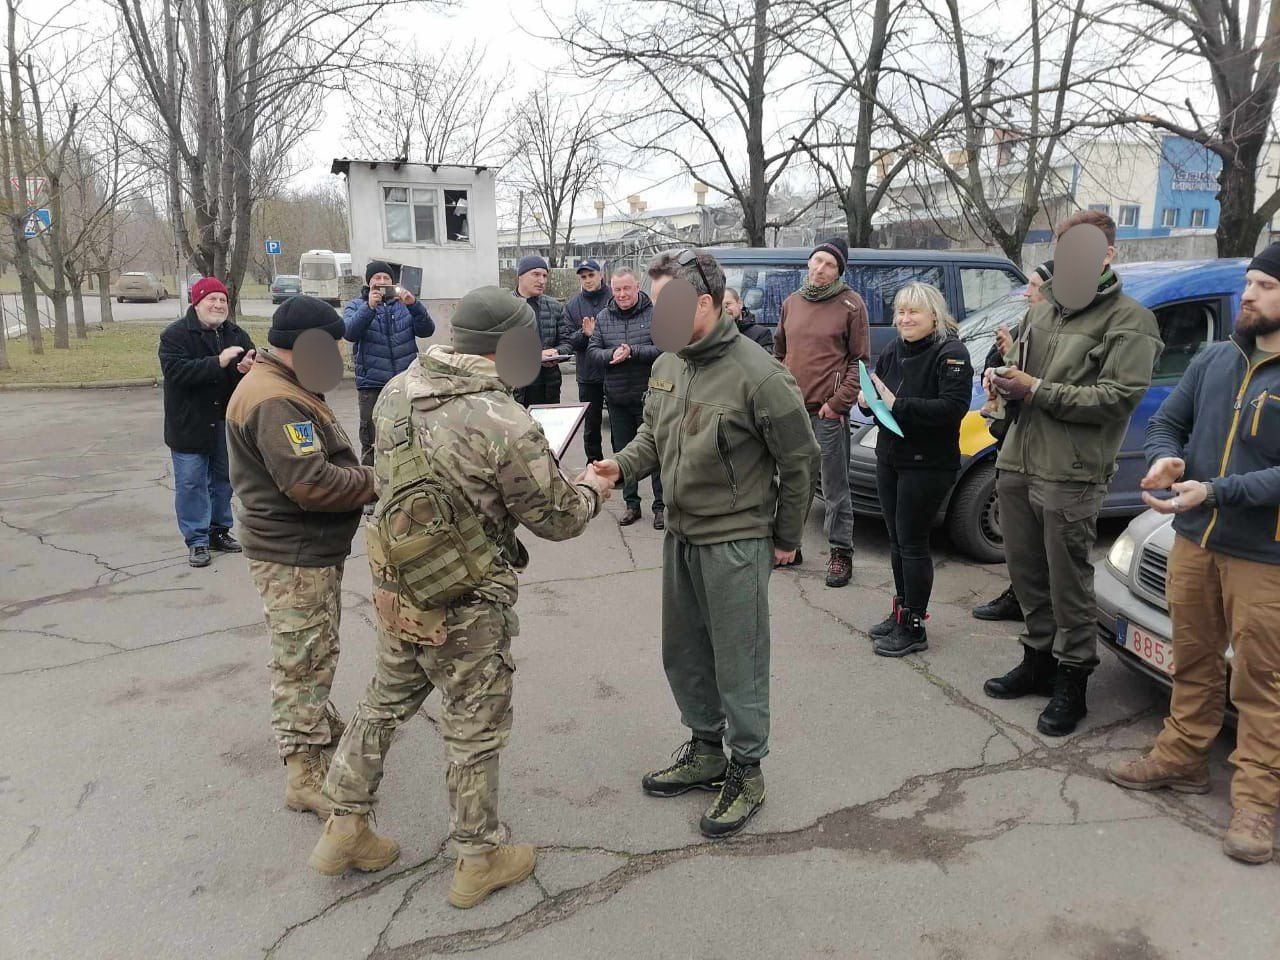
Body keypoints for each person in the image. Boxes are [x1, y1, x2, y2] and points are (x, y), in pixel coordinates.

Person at [309, 287, 614, 908]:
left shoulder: (398, 388)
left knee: (382, 702)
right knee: (474, 727)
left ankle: (344, 825)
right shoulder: (503, 420)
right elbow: (557, 519)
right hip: (467, 598)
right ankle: (479, 857)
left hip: (400, 580)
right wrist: (590, 486)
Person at [593, 249, 817, 839]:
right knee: (685, 652)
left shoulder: (760, 374)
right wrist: (619, 468)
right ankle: (707, 750)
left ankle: (747, 770)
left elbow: (800, 461)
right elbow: (651, 434)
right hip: (682, 535)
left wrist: (787, 539)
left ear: (706, 303)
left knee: (737, 660)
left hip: (735, 540)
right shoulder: (669, 362)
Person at [1107, 244, 1280, 865]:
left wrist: (1215, 489)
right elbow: (1168, 422)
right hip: (1194, 540)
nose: (1251, 294)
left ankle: (1257, 801)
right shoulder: (1213, 359)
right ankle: (1183, 757)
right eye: (1251, 281)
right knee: (1194, 658)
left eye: (1265, 284)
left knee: (1262, 682)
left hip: (1264, 556)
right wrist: (1165, 457)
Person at [982, 210, 1162, 736]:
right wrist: (1002, 375)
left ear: (1108, 254)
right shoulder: (1041, 313)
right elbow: (1020, 367)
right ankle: (1037, 659)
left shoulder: (1129, 320)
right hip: (1018, 458)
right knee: (1025, 571)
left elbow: (1117, 399)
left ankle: (1073, 676)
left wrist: (1036, 389)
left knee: (1069, 581)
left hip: (1072, 470)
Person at [226, 296, 377, 818]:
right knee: (302, 658)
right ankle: (303, 770)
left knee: (315, 644)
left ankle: (317, 722)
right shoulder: (274, 399)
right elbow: (309, 482)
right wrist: (373, 483)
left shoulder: (282, 385)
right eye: (331, 344)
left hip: (302, 545)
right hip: (292, 550)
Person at [859, 282, 973, 656]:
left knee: (912, 543)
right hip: (891, 457)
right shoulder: (894, 348)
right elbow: (882, 400)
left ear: (934, 315)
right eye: (900, 312)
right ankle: (901, 610)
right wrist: (866, 401)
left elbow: (951, 410)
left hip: (927, 464)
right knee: (896, 541)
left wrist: (898, 403)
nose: (904, 319)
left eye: (913, 312)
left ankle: (914, 625)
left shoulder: (951, 353)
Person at [774, 237, 869, 587]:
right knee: (792, 482)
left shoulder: (851, 305)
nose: (820, 268)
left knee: (834, 488)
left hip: (827, 414)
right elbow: (778, 353)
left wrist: (837, 403)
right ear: (808, 264)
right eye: (816, 261)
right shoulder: (791, 303)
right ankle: (789, 546)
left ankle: (841, 553)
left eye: (829, 264)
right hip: (791, 412)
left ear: (839, 270)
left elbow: (859, 361)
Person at [972, 260, 1053, 622]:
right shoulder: (1026, 325)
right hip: (1012, 436)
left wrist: (1010, 358)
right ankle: (1018, 592)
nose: (1027, 292)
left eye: (1034, 286)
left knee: (1042, 534)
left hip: (1044, 447)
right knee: (1019, 533)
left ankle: (1035, 602)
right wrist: (999, 361)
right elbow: (997, 365)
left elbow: (1040, 385)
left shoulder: (1058, 336)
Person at [158, 276, 256, 567]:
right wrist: (219, 362)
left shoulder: (236, 335)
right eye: (211, 299)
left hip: (225, 422)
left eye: (222, 300)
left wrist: (245, 369)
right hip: (188, 424)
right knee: (191, 483)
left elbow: (251, 368)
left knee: (224, 480)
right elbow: (177, 372)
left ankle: (218, 530)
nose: (217, 304)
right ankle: (197, 539)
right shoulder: (174, 335)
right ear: (196, 303)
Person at [588, 266, 665, 527]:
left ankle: (660, 507)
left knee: (655, 453)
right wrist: (612, 355)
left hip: (650, 396)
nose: (622, 294)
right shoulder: (603, 317)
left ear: (637, 288)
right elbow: (592, 353)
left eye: (627, 289)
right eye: (617, 289)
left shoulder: (654, 314)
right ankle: (632, 505)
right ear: (611, 289)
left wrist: (633, 351)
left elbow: (665, 350)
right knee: (622, 454)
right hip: (617, 397)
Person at [343, 259, 436, 470]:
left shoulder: (404, 305)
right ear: (369, 282)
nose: (382, 281)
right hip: (372, 383)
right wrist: (369, 307)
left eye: (386, 278)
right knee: (371, 437)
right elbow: (350, 333)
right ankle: (371, 484)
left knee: (410, 432)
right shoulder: (356, 305)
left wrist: (414, 305)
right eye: (377, 278)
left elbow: (427, 330)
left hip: (405, 381)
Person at [564, 258, 610, 463]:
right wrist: (584, 334)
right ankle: (594, 464)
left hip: (614, 371)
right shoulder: (573, 305)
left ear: (600, 275)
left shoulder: (614, 297)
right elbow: (568, 339)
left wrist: (599, 335)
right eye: (583, 277)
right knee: (591, 426)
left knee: (620, 424)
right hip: (588, 375)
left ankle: (621, 469)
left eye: (591, 275)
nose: (588, 280)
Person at [512, 255, 573, 406]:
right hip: (517, 388)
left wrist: (556, 353)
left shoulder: (554, 307)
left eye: (545, 275)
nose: (542, 281)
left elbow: (567, 342)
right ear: (520, 276)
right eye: (536, 274)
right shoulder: (505, 307)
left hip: (549, 387)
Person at [724, 287, 773, 352]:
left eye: (728, 304)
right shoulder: (713, 334)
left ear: (740, 304)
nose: (724, 309)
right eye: (720, 306)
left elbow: (765, 361)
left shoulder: (761, 334)